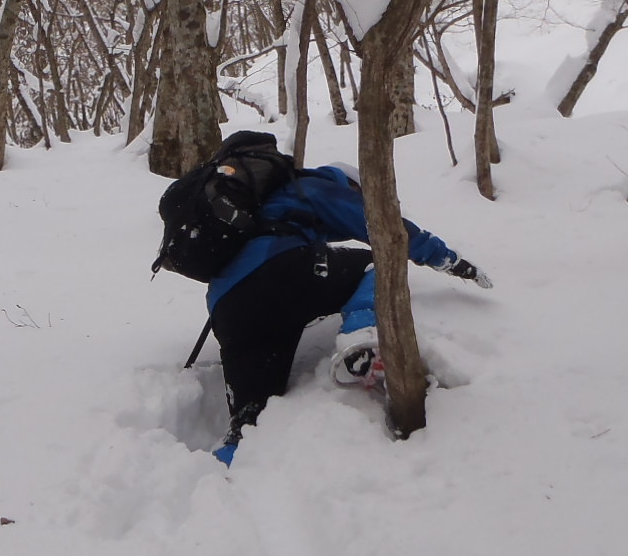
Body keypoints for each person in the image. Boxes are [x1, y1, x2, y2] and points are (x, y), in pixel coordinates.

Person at [205, 156, 490, 464]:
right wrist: (450, 260)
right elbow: (384, 228)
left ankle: (223, 472)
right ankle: (360, 336)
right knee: (378, 264)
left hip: (228, 306)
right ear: (351, 185)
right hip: (277, 272)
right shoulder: (316, 186)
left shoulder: (268, 207)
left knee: (251, 420)